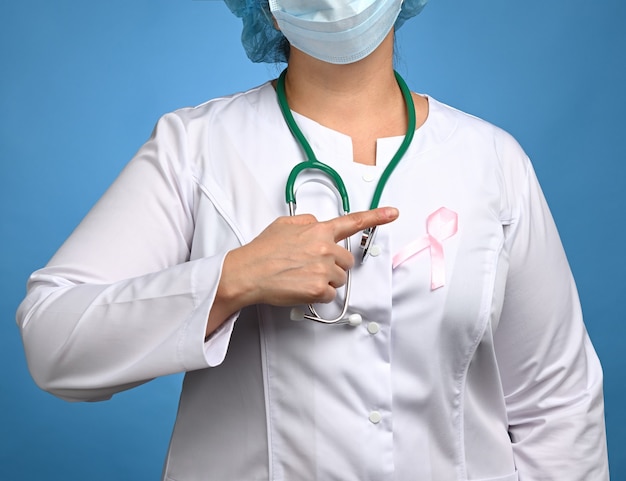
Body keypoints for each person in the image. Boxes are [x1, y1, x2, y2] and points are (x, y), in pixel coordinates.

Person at [17, 0, 609, 479]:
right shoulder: (195, 149)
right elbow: (52, 340)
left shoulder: (491, 163)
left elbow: (557, 406)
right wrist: (231, 281)